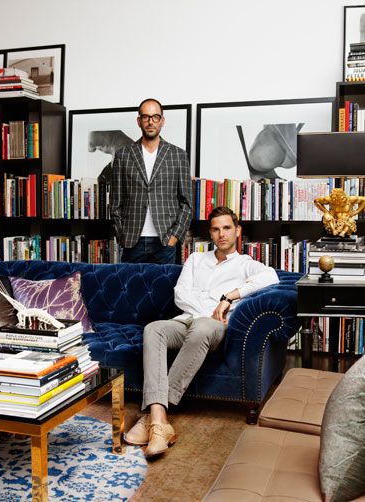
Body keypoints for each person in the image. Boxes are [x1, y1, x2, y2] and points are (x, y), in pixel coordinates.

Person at [124, 206, 279, 458]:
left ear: (237, 231)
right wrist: (208, 310)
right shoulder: (196, 259)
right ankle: (158, 418)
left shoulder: (245, 264)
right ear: (210, 233)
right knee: (153, 329)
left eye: (227, 228)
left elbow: (271, 277)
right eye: (216, 229)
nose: (222, 234)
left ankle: (151, 418)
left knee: (203, 327)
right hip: (188, 320)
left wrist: (228, 297)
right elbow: (180, 294)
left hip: (213, 328)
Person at [110, 98, 192, 264]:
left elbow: (187, 202)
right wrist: (121, 235)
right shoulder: (123, 155)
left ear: (162, 121)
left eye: (155, 117)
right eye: (146, 117)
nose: (150, 122)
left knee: (164, 289)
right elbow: (115, 201)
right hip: (132, 240)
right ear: (139, 121)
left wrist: (175, 236)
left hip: (165, 240)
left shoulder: (178, 155)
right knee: (131, 289)